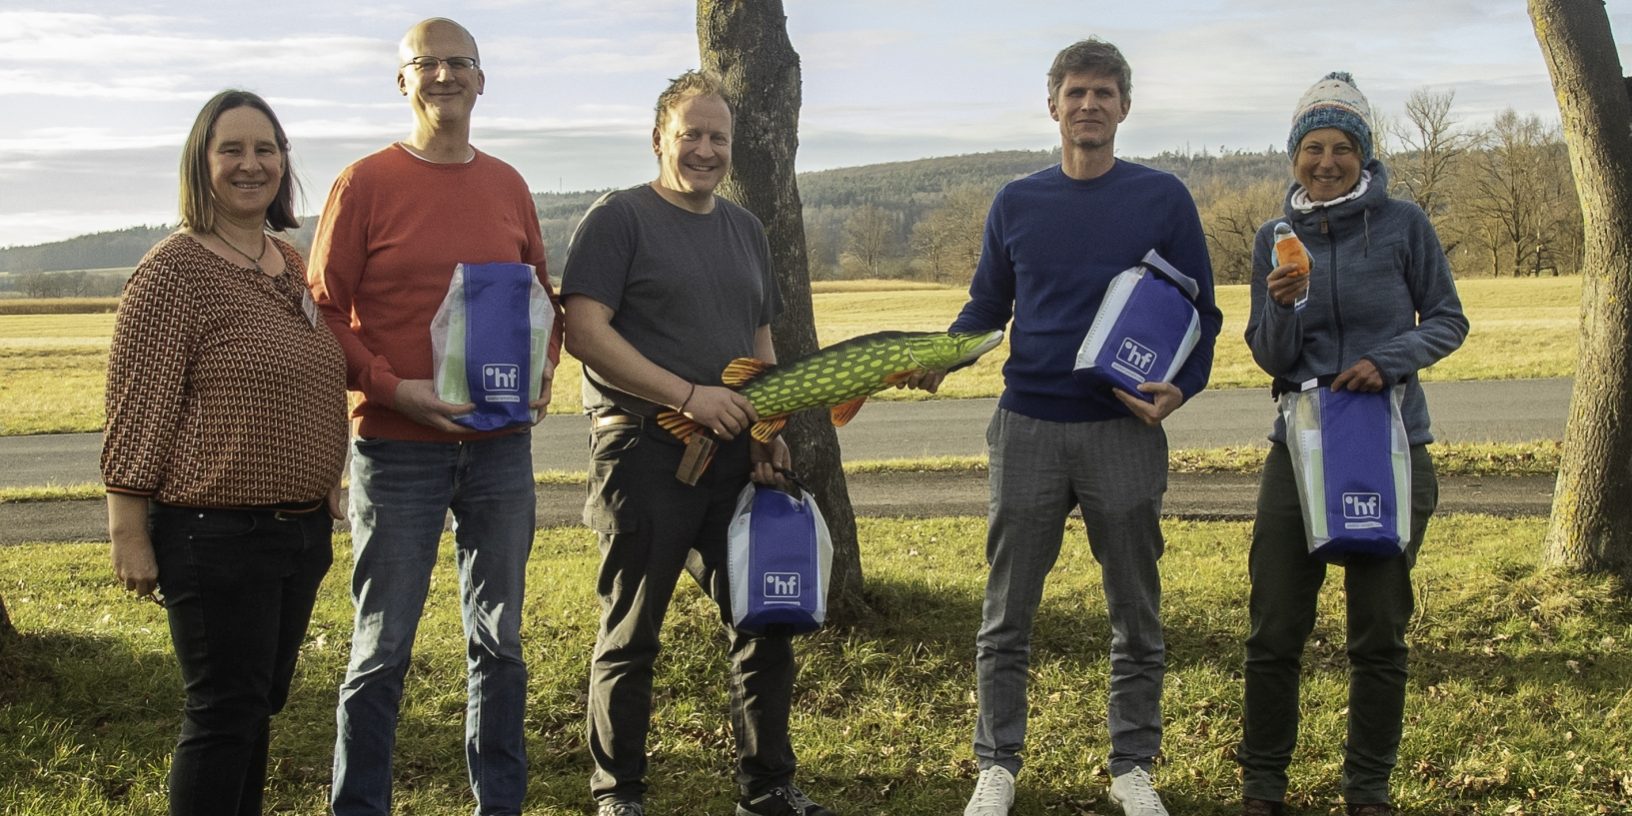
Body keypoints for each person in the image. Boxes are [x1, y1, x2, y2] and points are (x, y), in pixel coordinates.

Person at [917, 38, 1221, 816]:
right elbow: (986, 311)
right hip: (1027, 428)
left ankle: (1132, 766)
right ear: (1052, 105)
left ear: (1124, 106)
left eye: (1104, 93)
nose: (1089, 105)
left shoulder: (1163, 200)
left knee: (1136, 612)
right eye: (1075, 92)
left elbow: (1203, 318)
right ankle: (997, 764)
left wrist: (1178, 393)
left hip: (1123, 431)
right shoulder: (1017, 203)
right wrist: (938, 360)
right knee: (1006, 612)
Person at [559, 70, 832, 816]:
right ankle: (619, 794)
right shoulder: (618, 220)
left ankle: (767, 787)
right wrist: (685, 395)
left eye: (719, 138)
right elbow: (584, 330)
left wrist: (768, 431)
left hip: (736, 459)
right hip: (644, 451)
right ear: (659, 139)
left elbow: (759, 337)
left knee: (764, 618)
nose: (706, 150)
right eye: (692, 135)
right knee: (632, 630)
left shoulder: (745, 228)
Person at [306, 18, 561, 816]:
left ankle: (502, 802)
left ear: (482, 81)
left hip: (499, 451)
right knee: (381, 650)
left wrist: (543, 373)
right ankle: (360, 806)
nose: (444, 76)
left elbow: (539, 297)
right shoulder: (365, 183)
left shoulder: (508, 184)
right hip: (396, 448)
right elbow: (322, 313)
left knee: (501, 644)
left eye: (459, 64)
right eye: (428, 64)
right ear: (403, 82)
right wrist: (391, 388)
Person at [103, 89, 348, 816]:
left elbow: (310, 376)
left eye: (265, 149)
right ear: (200, 164)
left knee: (256, 706)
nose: (252, 164)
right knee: (222, 714)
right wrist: (128, 532)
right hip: (214, 534)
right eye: (231, 150)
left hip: (299, 532)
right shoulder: (171, 273)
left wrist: (327, 474)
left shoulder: (287, 260)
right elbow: (137, 411)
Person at [1237, 72, 1467, 816]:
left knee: (1377, 632)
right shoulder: (1276, 238)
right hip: (1298, 452)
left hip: (1390, 443)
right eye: (1312, 147)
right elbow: (1270, 358)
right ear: (1294, 156)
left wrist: (1390, 358)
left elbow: (1447, 320)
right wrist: (1281, 308)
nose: (1327, 161)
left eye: (1342, 147)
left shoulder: (1404, 225)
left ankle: (1367, 789)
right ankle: (1263, 785)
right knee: (1275, 627)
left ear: (1364, 155)